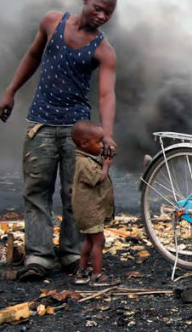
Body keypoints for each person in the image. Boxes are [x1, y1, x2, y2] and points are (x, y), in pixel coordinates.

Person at [0, 0, 118, 281]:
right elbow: (33, 56)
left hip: (78, 131)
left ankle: (73, 253)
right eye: (98, 9)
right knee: (36, 192)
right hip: (41, 122)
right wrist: (10, 91)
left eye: (109, 13)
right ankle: (38, 256)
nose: (102, 16)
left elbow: (106, 95)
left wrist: (106, 134)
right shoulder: (52, 22)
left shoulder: (104, 49)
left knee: (75, 194)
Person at [70, 121, 119, 287]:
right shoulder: (84, 163)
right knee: (99, 242)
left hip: (88, 212)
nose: (100, 146)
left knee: (89, 242)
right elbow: (98, 179)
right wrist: (106, 166)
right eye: (98, 143)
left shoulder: (85, 159)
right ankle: (97, 275)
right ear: (84, 143)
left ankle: (82, 272)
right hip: (90, 212)